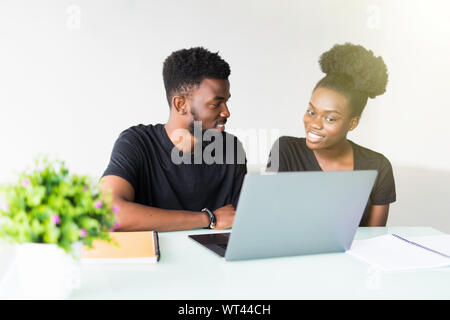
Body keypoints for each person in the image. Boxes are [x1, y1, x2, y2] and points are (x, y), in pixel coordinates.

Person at [101, 47, 247, 232]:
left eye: (226, 102)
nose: (226, 112)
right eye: (215, 104)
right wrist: (207, 218)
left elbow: (241, 221)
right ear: (181, 104)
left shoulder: (231, 149)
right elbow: (109, 213)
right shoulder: (136, 143)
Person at [266, 43, 395, 226]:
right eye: (311, 112)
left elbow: (375, 238)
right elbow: (271, 218)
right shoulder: (286, 150)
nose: (315, 124)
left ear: (353, 123)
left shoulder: (378, 166)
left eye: (330, 119)